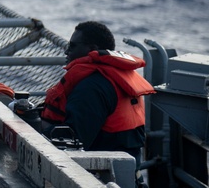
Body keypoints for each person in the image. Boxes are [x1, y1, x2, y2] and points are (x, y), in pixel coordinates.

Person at [39, 21, 154, 163]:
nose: (67, 51)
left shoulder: (91, 88)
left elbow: (74, 141)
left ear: (92, 49)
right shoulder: (116, 76)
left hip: (101, 170)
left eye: (72, 46)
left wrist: (37, 129)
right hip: (126, 165)